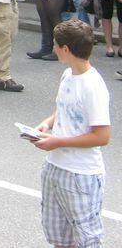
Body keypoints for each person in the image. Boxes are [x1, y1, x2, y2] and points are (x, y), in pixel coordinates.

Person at [31, 20, 111, 248]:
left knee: (88, 240)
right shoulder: (68, 75)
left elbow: (102, 136)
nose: (54, 48)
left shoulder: (93, 86)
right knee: (59, 238)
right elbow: (63, 107)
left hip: (81, 175)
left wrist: (58, 141)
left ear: (66, 49)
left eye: (56, 45)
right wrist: (47, 123)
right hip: (55, 167)